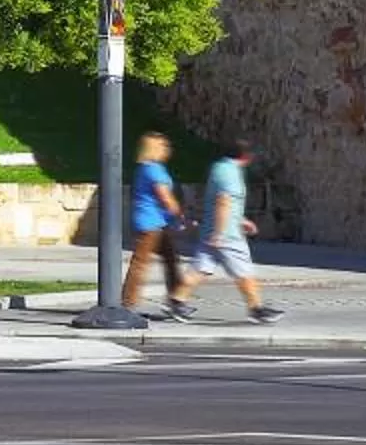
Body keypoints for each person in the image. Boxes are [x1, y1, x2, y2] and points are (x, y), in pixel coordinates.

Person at [172, 138, 283, 325]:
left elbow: (226, 204)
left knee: (200, 268)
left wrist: (241, 220)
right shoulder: (230, 173)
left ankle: (176, 302)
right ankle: (256, 309)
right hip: (227, 235)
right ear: (246, 156)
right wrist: (221, 232)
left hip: (213, 230)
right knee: (244, 271)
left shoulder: (219, 168)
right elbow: (224, 201)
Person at [121, 130, 187, 313]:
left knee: (170, 259)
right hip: (151, 224)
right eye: (164, 146)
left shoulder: (145, 168)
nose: (168, 149)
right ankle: (127, 303)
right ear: (154, 149)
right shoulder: (153, 169)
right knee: (141, 263)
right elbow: (164, 197)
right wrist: (178, 212)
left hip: (156, 223)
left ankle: (176, 299)